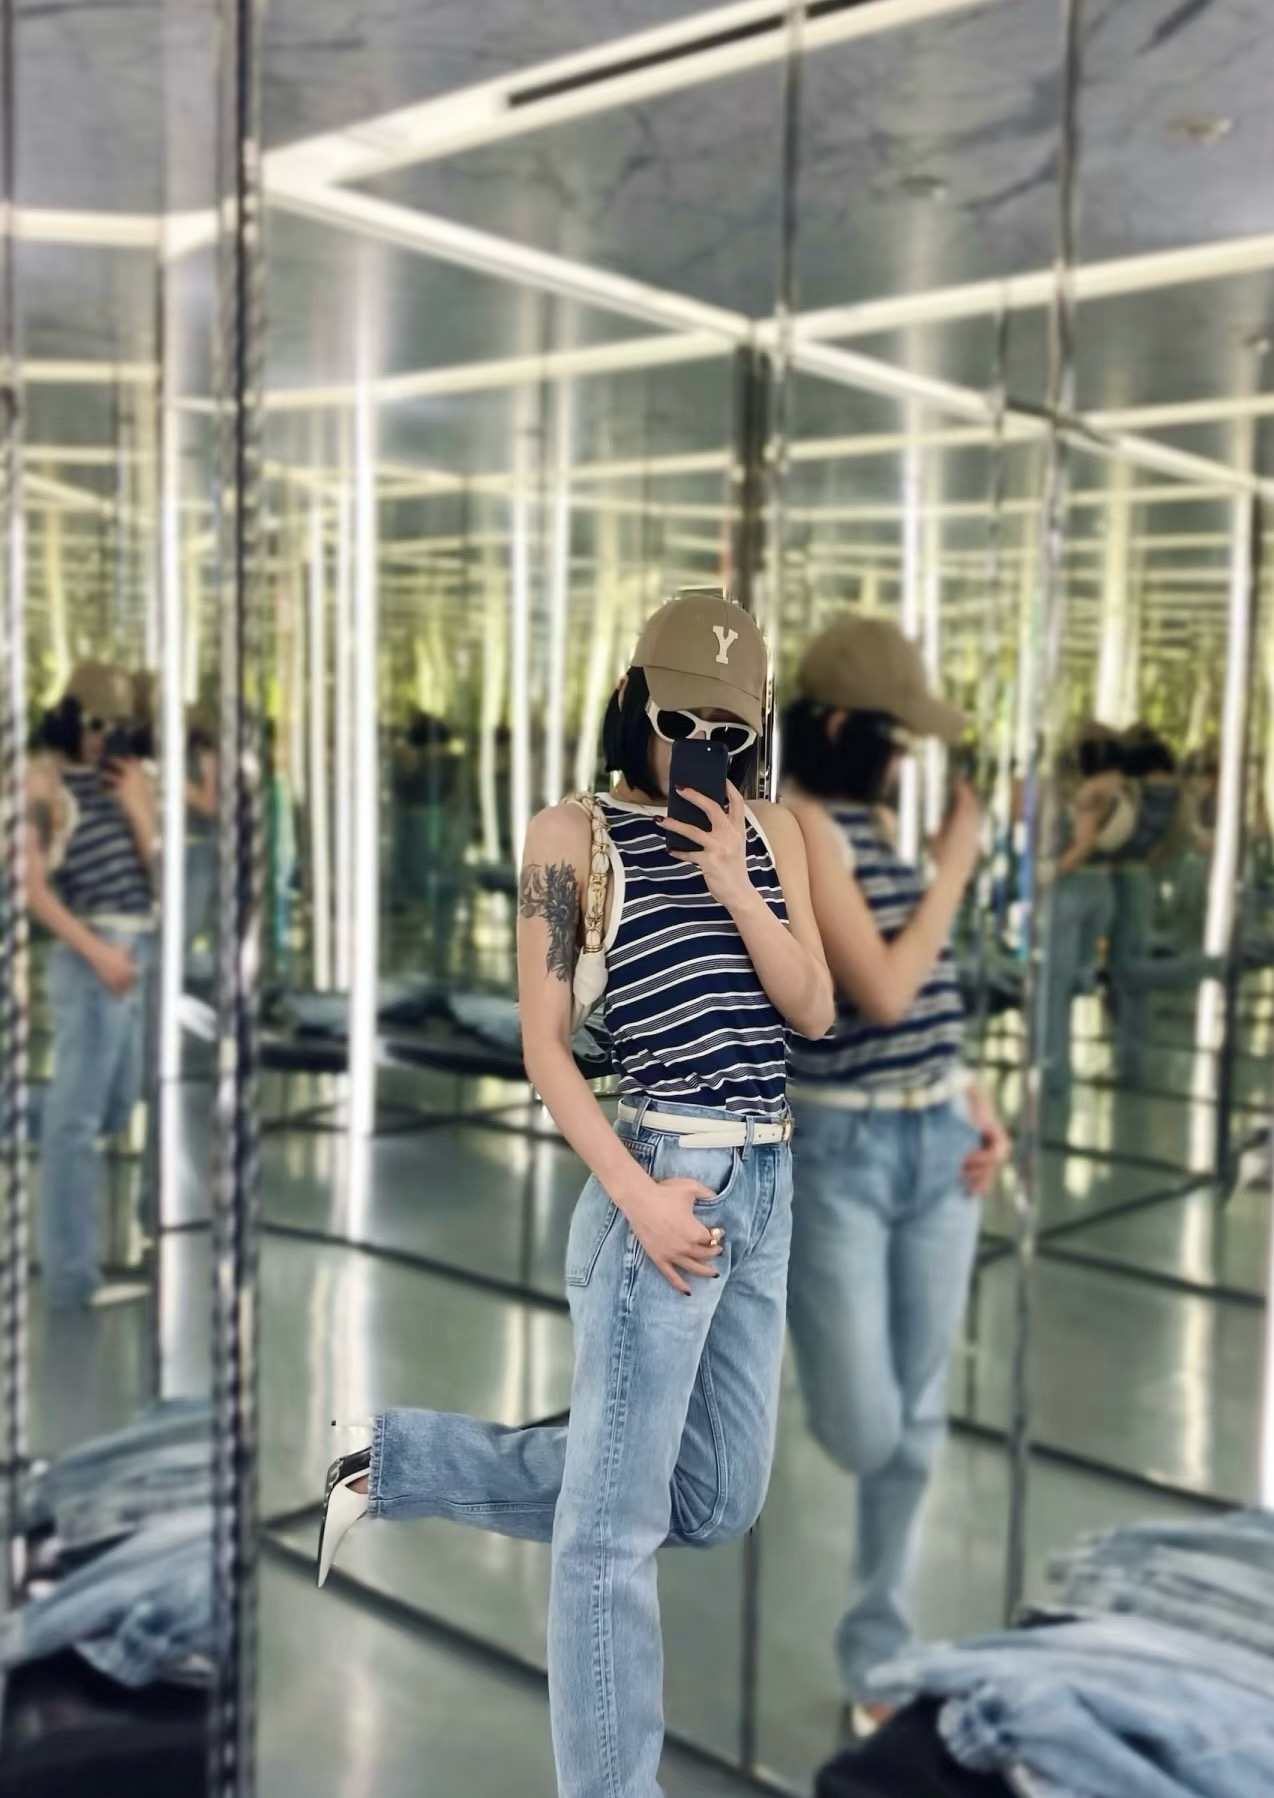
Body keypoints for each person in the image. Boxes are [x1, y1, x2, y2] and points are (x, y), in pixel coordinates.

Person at [315, 590, 834, 1797]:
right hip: (659, 1177)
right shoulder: (570, 836)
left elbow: (810, 1009)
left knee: (713, 1495)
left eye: (727, 728)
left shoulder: (775, 832)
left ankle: (380, 1460)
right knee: (609, 1540)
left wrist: (735, 879)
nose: (699, 745)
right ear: (631, 704)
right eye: (677, 719)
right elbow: (546, 1047)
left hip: (767, 1181)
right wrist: (642, 1199)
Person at [779, 614, 1009, 1736]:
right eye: (892, 740)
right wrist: (956, 864)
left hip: (934, 1136)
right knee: (868, 1429)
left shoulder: (868, 822)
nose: (904, 762)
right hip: (842, 1150)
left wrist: (970, 1088)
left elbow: (923, 995)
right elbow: (876, 988)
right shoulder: (799, 825)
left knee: (915, 1428)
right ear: (836, 728)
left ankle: (879, 1652)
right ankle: (794, 1327)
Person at [29, 661, 157, 1308]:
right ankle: (72, 1279)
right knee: (75, 1125)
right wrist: (98, 953)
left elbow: (156, 875)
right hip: (91, 957)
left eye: (118, 725)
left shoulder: (128, 781)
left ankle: (23, 1111)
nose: (104, 736)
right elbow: (30, 888)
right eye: (96, 722)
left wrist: (140, 810)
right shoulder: (44, 781)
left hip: (138, 947)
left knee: (118, 1103)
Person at [1040, 723, 1127, 1099]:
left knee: (1057, 987)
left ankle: (1055, 1071)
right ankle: (1055, 1069)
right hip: (1097, 887)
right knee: (1068, 981)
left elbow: (1079, 845)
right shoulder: (1113, 792)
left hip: (1074, 889)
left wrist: (1047, 874)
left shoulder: (1086, 793)